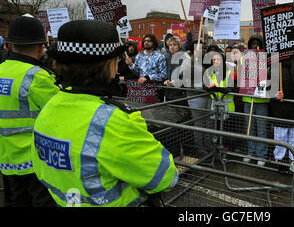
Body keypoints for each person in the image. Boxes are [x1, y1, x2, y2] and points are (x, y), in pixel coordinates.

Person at [30, 20, 178, 207]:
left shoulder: (47, 108)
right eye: (115, 61)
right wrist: (134, 125)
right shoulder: (112, 121)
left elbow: (40, 167)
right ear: (109, 65)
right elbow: (166, 177)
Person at [0, 16, 59, 207]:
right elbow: (60, 110)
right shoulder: (36, 77)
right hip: (35, 162)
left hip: (5, 159)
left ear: (8, 45)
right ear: (42, 47)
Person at [271, 58, 294, 164]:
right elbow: (267, 86)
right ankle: (279, 159)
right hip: (280, 110)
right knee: (280, 136)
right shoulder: (274, 67)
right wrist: (275, 95)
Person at [242, 35, 270, 166]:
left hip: (262, 100)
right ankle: (250, 152)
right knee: (250, 129)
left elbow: (271, 78)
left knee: (262, 130)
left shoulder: (267, 60)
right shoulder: (244, 58)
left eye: (257, 44)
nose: (255, 46)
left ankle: (261, 155)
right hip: (248, 99)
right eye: (252, 44)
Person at [127, 34, 167, 102]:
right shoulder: (139, 56)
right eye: (144, 41)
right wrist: (131, 65)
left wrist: (148, 77)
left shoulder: (160, 57)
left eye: (149, 41)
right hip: (140, 91)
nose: (146, 42)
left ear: (153, 43)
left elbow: (163, 75)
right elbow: (137, 72)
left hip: (155, 92)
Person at [163, 35, 190, 105]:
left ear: (179, 46)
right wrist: (165, 80)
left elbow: (187, 75)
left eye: (174, 45)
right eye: (170, 45)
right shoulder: (167, 58)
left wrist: (176, 82)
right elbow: (165, 73)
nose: (172, 47)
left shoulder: (185, 57)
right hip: (169, 93)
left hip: (181, 93)